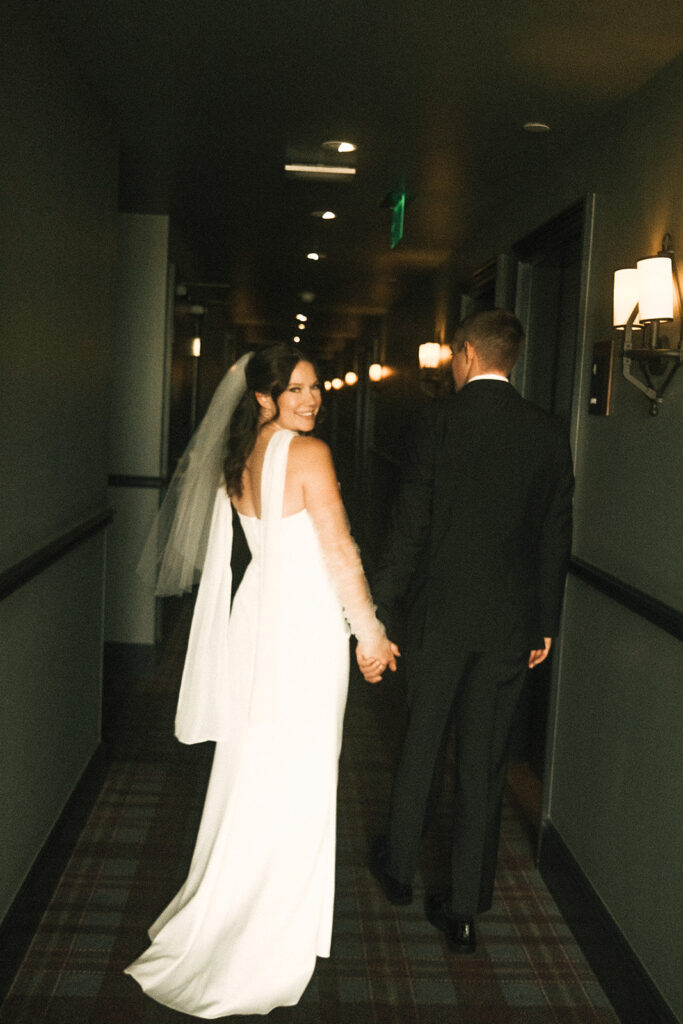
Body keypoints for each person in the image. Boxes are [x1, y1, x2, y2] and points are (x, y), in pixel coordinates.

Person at [125, 342, 397, 1018]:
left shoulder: (238, 452)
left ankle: (229, 909)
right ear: (263, 397)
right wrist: (370, 635)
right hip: (302, 628)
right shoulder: (309, 454)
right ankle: (269, 933)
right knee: (299, 773)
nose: (312, 399)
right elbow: (339, 553)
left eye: (314, 387)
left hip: (255, 622)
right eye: (295, 389)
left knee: (253, 768)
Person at [360, 309, 573, 954]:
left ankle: (399, 870)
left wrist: (379, 610)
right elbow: (554, 532)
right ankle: (462, 911)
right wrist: (545, 623)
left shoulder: (439, 421)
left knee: (422, 741)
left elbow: (411, 522)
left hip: (440, 619)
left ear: (469, 355)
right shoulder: (547, 430)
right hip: (509, 625)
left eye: (455, 357)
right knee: (483, 765)